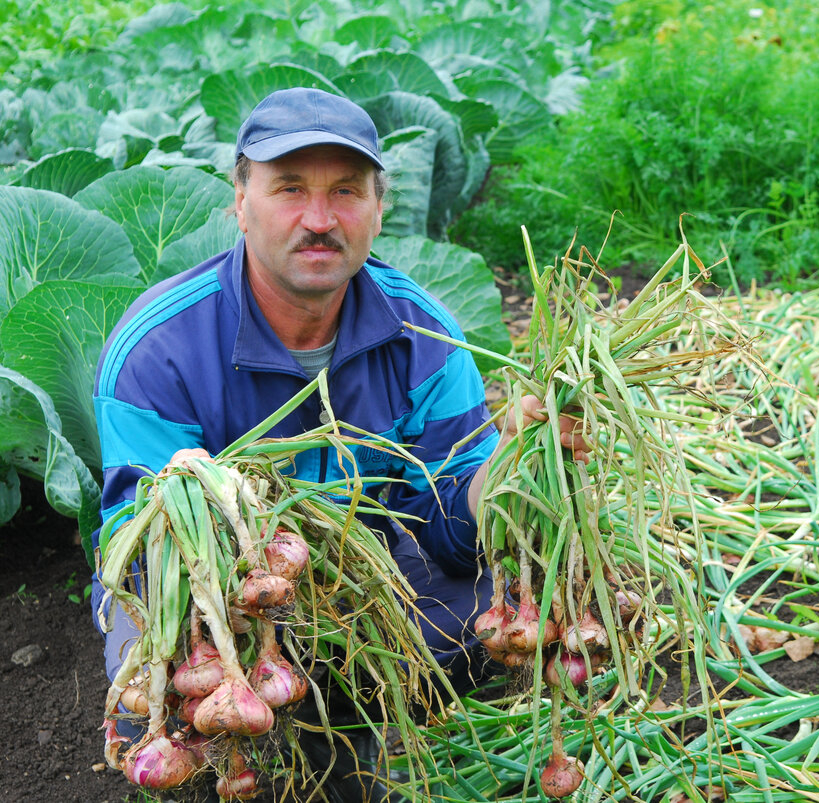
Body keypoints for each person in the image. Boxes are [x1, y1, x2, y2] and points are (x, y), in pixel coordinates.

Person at [90, 87, 584, 800]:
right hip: (210, 605)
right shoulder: (158, 347)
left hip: (362, 581)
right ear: (240, 198)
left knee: (500, 620)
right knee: (161, 713)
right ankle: (271, 718)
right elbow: (139, 558)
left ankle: (346, 706)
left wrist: (517, 462)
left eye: (346, 192)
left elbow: (450, 527)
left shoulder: (426, 333)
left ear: (379, 209)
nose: (318, 220)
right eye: (289, 188)